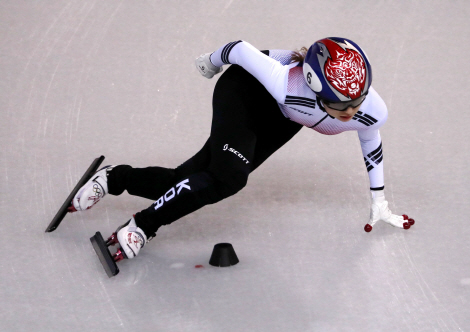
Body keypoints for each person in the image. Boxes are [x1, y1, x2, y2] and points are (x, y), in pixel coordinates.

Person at [70, 37, 414, 261]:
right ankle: (143, 226)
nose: (352, 111)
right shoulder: (284, 83)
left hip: (283, 120)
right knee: (228, 178)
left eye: (357, 99)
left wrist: (378, 199)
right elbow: (239, 50)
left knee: (189, 180)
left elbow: (371, 140)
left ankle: (115, 178)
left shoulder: (371, 109)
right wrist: (210, 61)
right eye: (341, 104)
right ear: (313, 85)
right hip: (244, 92)